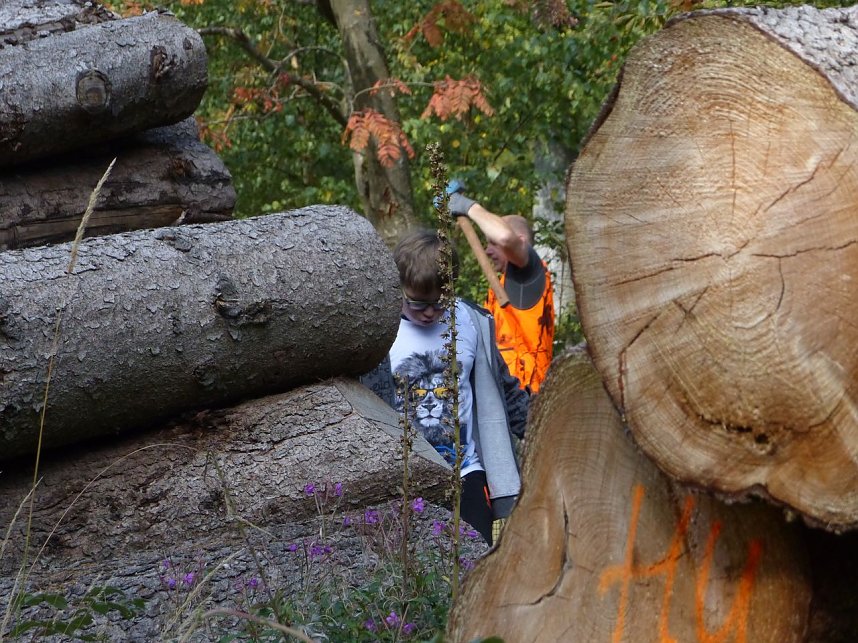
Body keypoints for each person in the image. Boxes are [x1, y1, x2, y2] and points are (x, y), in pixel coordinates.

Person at [361, 229, 528, 546]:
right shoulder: (379, 329)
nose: (429, 312)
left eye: (439, 303)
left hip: (465, 473)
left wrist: (539, 430)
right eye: (417, 303)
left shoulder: (471, 321)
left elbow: (506, 393)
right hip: (402, 479)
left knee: (476, 559)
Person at [447, 185, 555, 394]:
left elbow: (506, 237)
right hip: (506, 394)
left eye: (492, 244)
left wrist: (468, 207)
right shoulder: (505, 283)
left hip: (528, 395)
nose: (487, 250)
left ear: (521, 242)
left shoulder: (530, 275)